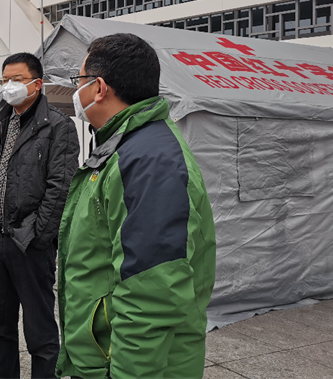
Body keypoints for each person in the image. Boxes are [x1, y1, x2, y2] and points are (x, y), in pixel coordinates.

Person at [58, 34, 216, 379]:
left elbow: (150, 297)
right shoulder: (127, 146)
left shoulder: (149, 162)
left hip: (121, 365)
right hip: (103, 356)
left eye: (79, 80)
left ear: (99, 88)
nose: (76, 90)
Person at [0, 52, 80, 379]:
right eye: (5, 80)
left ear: (37, 84)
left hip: (29, 241)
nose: (9, 86)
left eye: (17, 79)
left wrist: (39, 235)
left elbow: (61, 186)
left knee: (39, 328)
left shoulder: (58, 126)